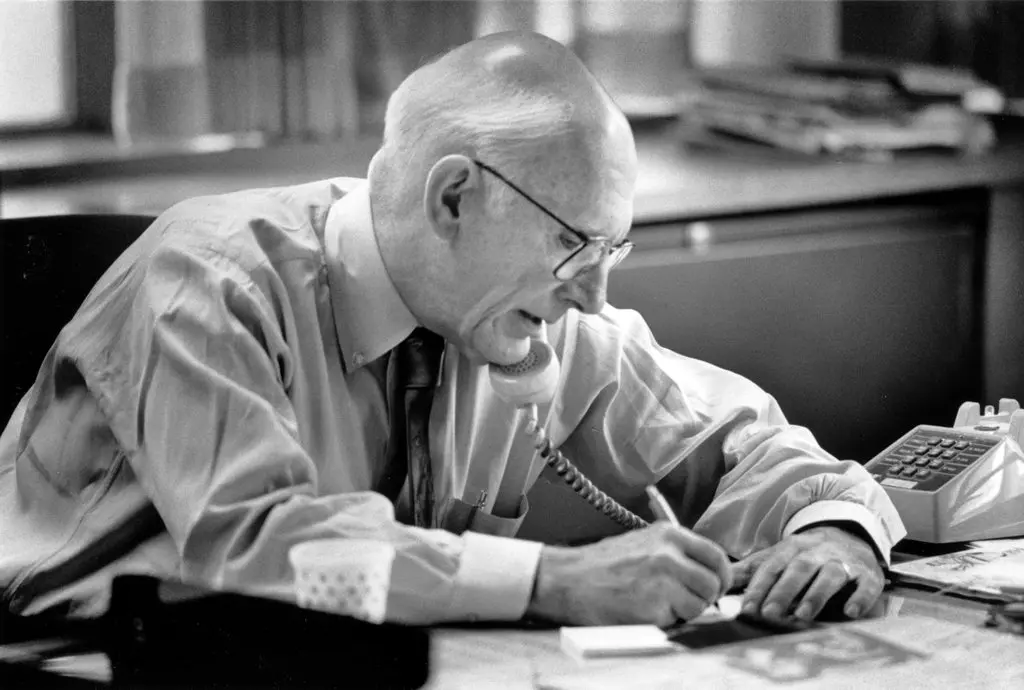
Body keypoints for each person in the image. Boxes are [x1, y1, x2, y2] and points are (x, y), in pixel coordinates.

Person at [0, 31, 905, 627]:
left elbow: (743, 441)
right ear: (454, 198)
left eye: (610, 251)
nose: (592, 295)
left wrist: (833, 531)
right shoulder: (207, 280)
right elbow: (257, 546)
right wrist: (553, 581)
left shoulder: (514, 319)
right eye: (574, 244)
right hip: (79, 663)